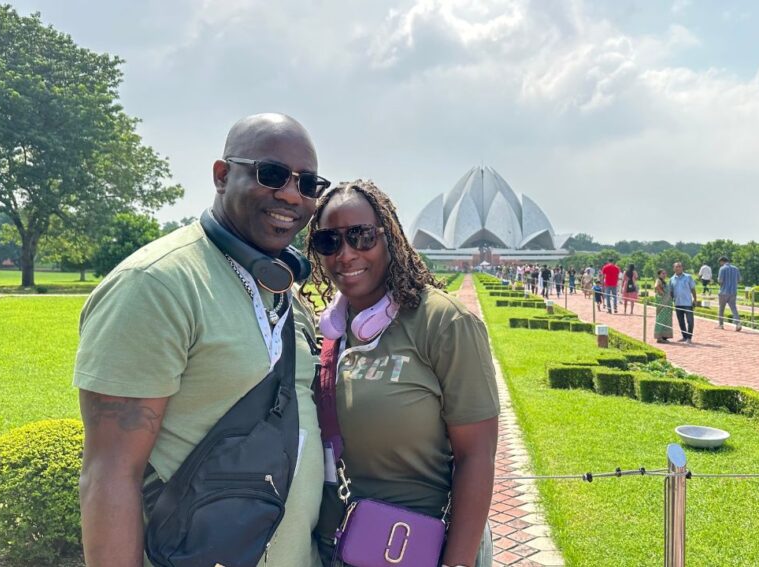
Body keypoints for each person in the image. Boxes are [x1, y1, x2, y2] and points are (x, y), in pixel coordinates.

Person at [75, 114, 327, 566]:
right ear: (221, 175)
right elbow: (110, 472)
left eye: (308, 184)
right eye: (271, 174)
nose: (291, 194)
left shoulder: (282, 293)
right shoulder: (156, 286)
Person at [306, 180, 499, 566]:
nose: (345, 254)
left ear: (390, 237)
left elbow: (477, 455)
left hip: (414, 546)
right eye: (329, 241)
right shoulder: (326, 331)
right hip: (333, 546)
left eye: (361, 236)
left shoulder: (443, 323)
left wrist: (456, 563)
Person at [669, 262, 698, 344]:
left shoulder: (688, 277)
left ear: (682, 268)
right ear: (673, 268)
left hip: (687, 303)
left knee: (690, 321)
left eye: (679, 266)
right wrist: (670, 301)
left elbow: (693, 289)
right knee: (681, 321)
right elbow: (671, 292)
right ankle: (684, 336)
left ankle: (689, 338)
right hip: (678, 303)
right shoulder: (672, 279)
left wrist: (695, 299)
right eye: (676, 267)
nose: (678, 268)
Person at [717, 256, 742, 330]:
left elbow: (720, 280)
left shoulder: (722, 268)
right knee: (734, 309)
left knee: (721, 309)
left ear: (722, 261)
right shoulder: (735, 268)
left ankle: (721, 325)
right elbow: (739, 279)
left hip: (723, 292)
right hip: (733, 292)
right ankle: (738, 324)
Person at [654, 269, 674, 343]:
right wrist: (662, 293)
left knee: (665, 319)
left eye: (665, 273)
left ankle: (664, 336)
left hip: (667, 303)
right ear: (659, 274)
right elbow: (656, 286)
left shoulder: (664, 281)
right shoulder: (658, 280)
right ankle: (659, 337)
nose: (664, 275)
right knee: (661, 319)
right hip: (662, 302)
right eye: (663, 273)